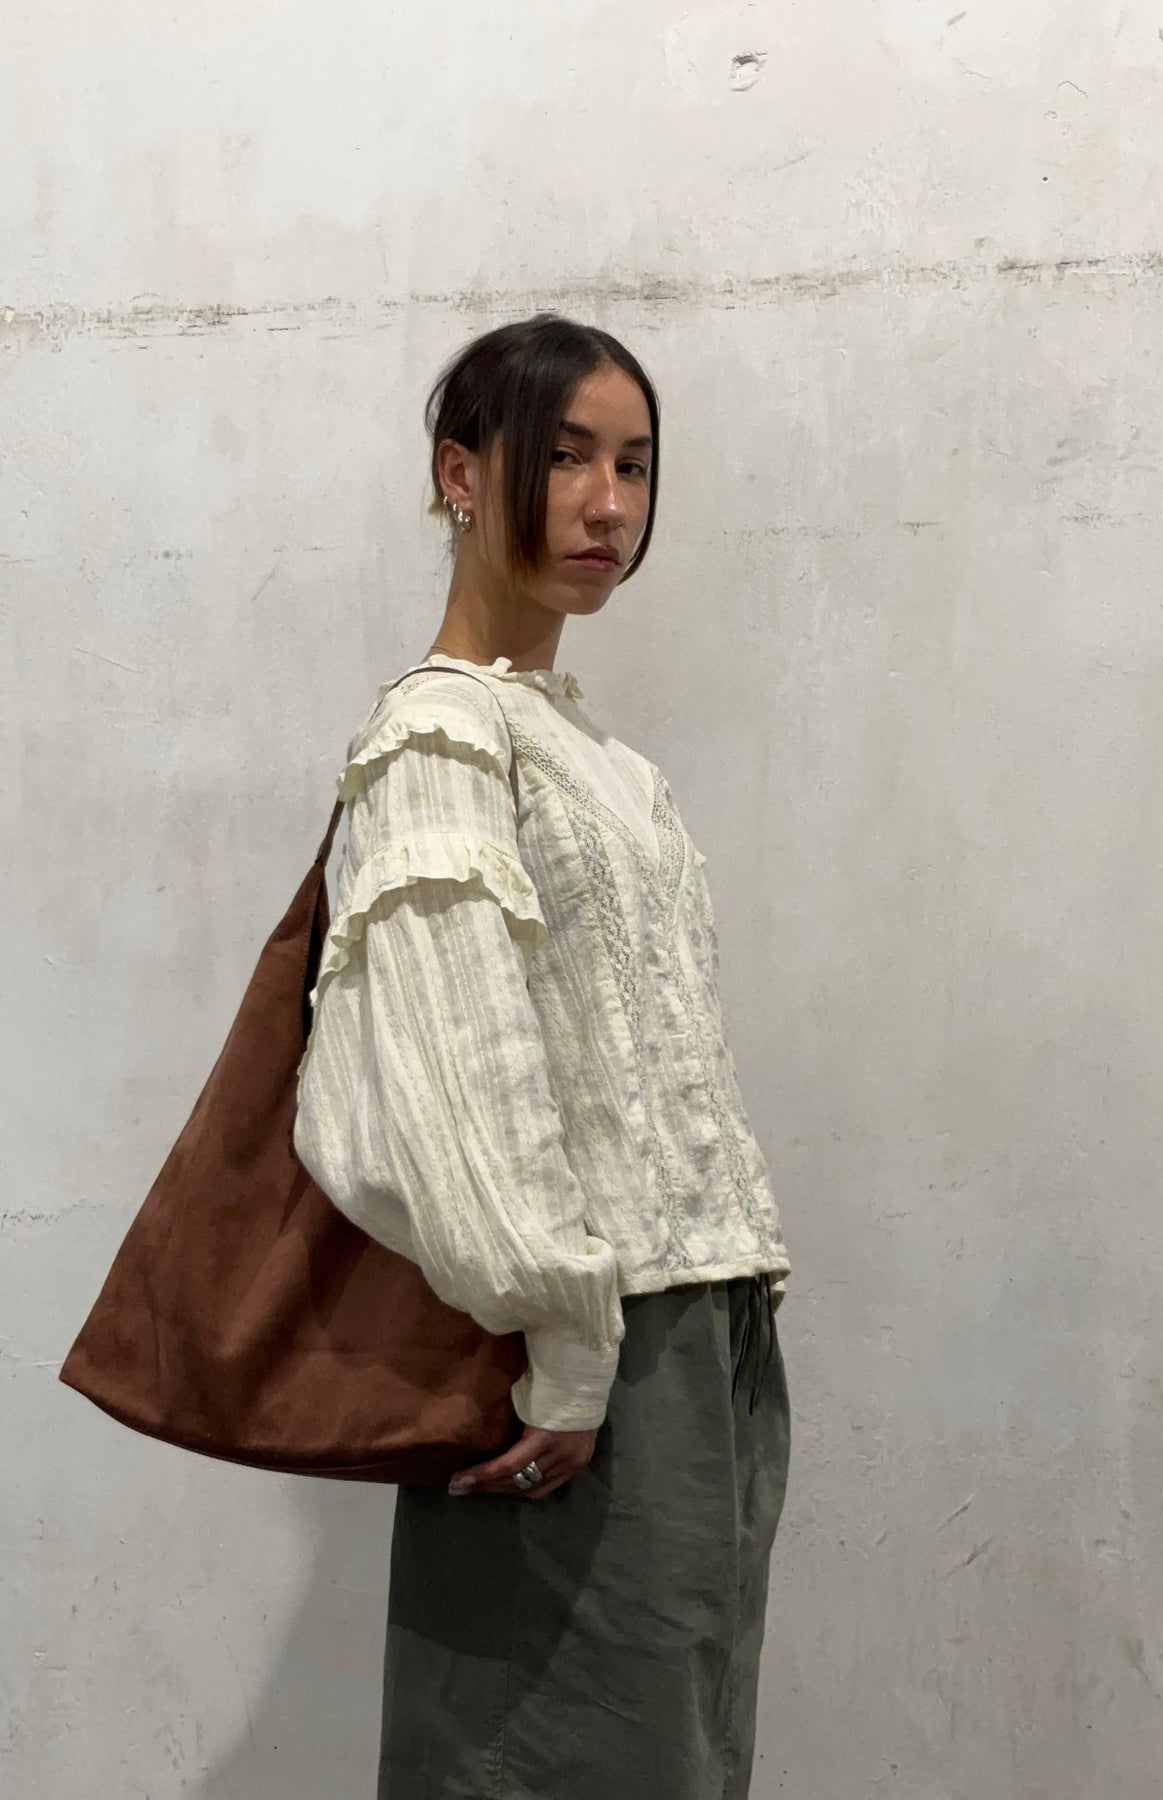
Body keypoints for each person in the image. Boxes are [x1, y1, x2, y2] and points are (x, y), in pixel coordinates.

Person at [293, 311, 792, 1799]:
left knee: (677, 1759)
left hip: (701, 1333)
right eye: (564, 456)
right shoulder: (439, 736)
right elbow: (455, 1077)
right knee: (556, 1760)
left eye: (632, 465)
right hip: (579, 1353)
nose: (606, 502)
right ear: (461, 474)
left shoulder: (607, 765)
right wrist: (565, 1352)